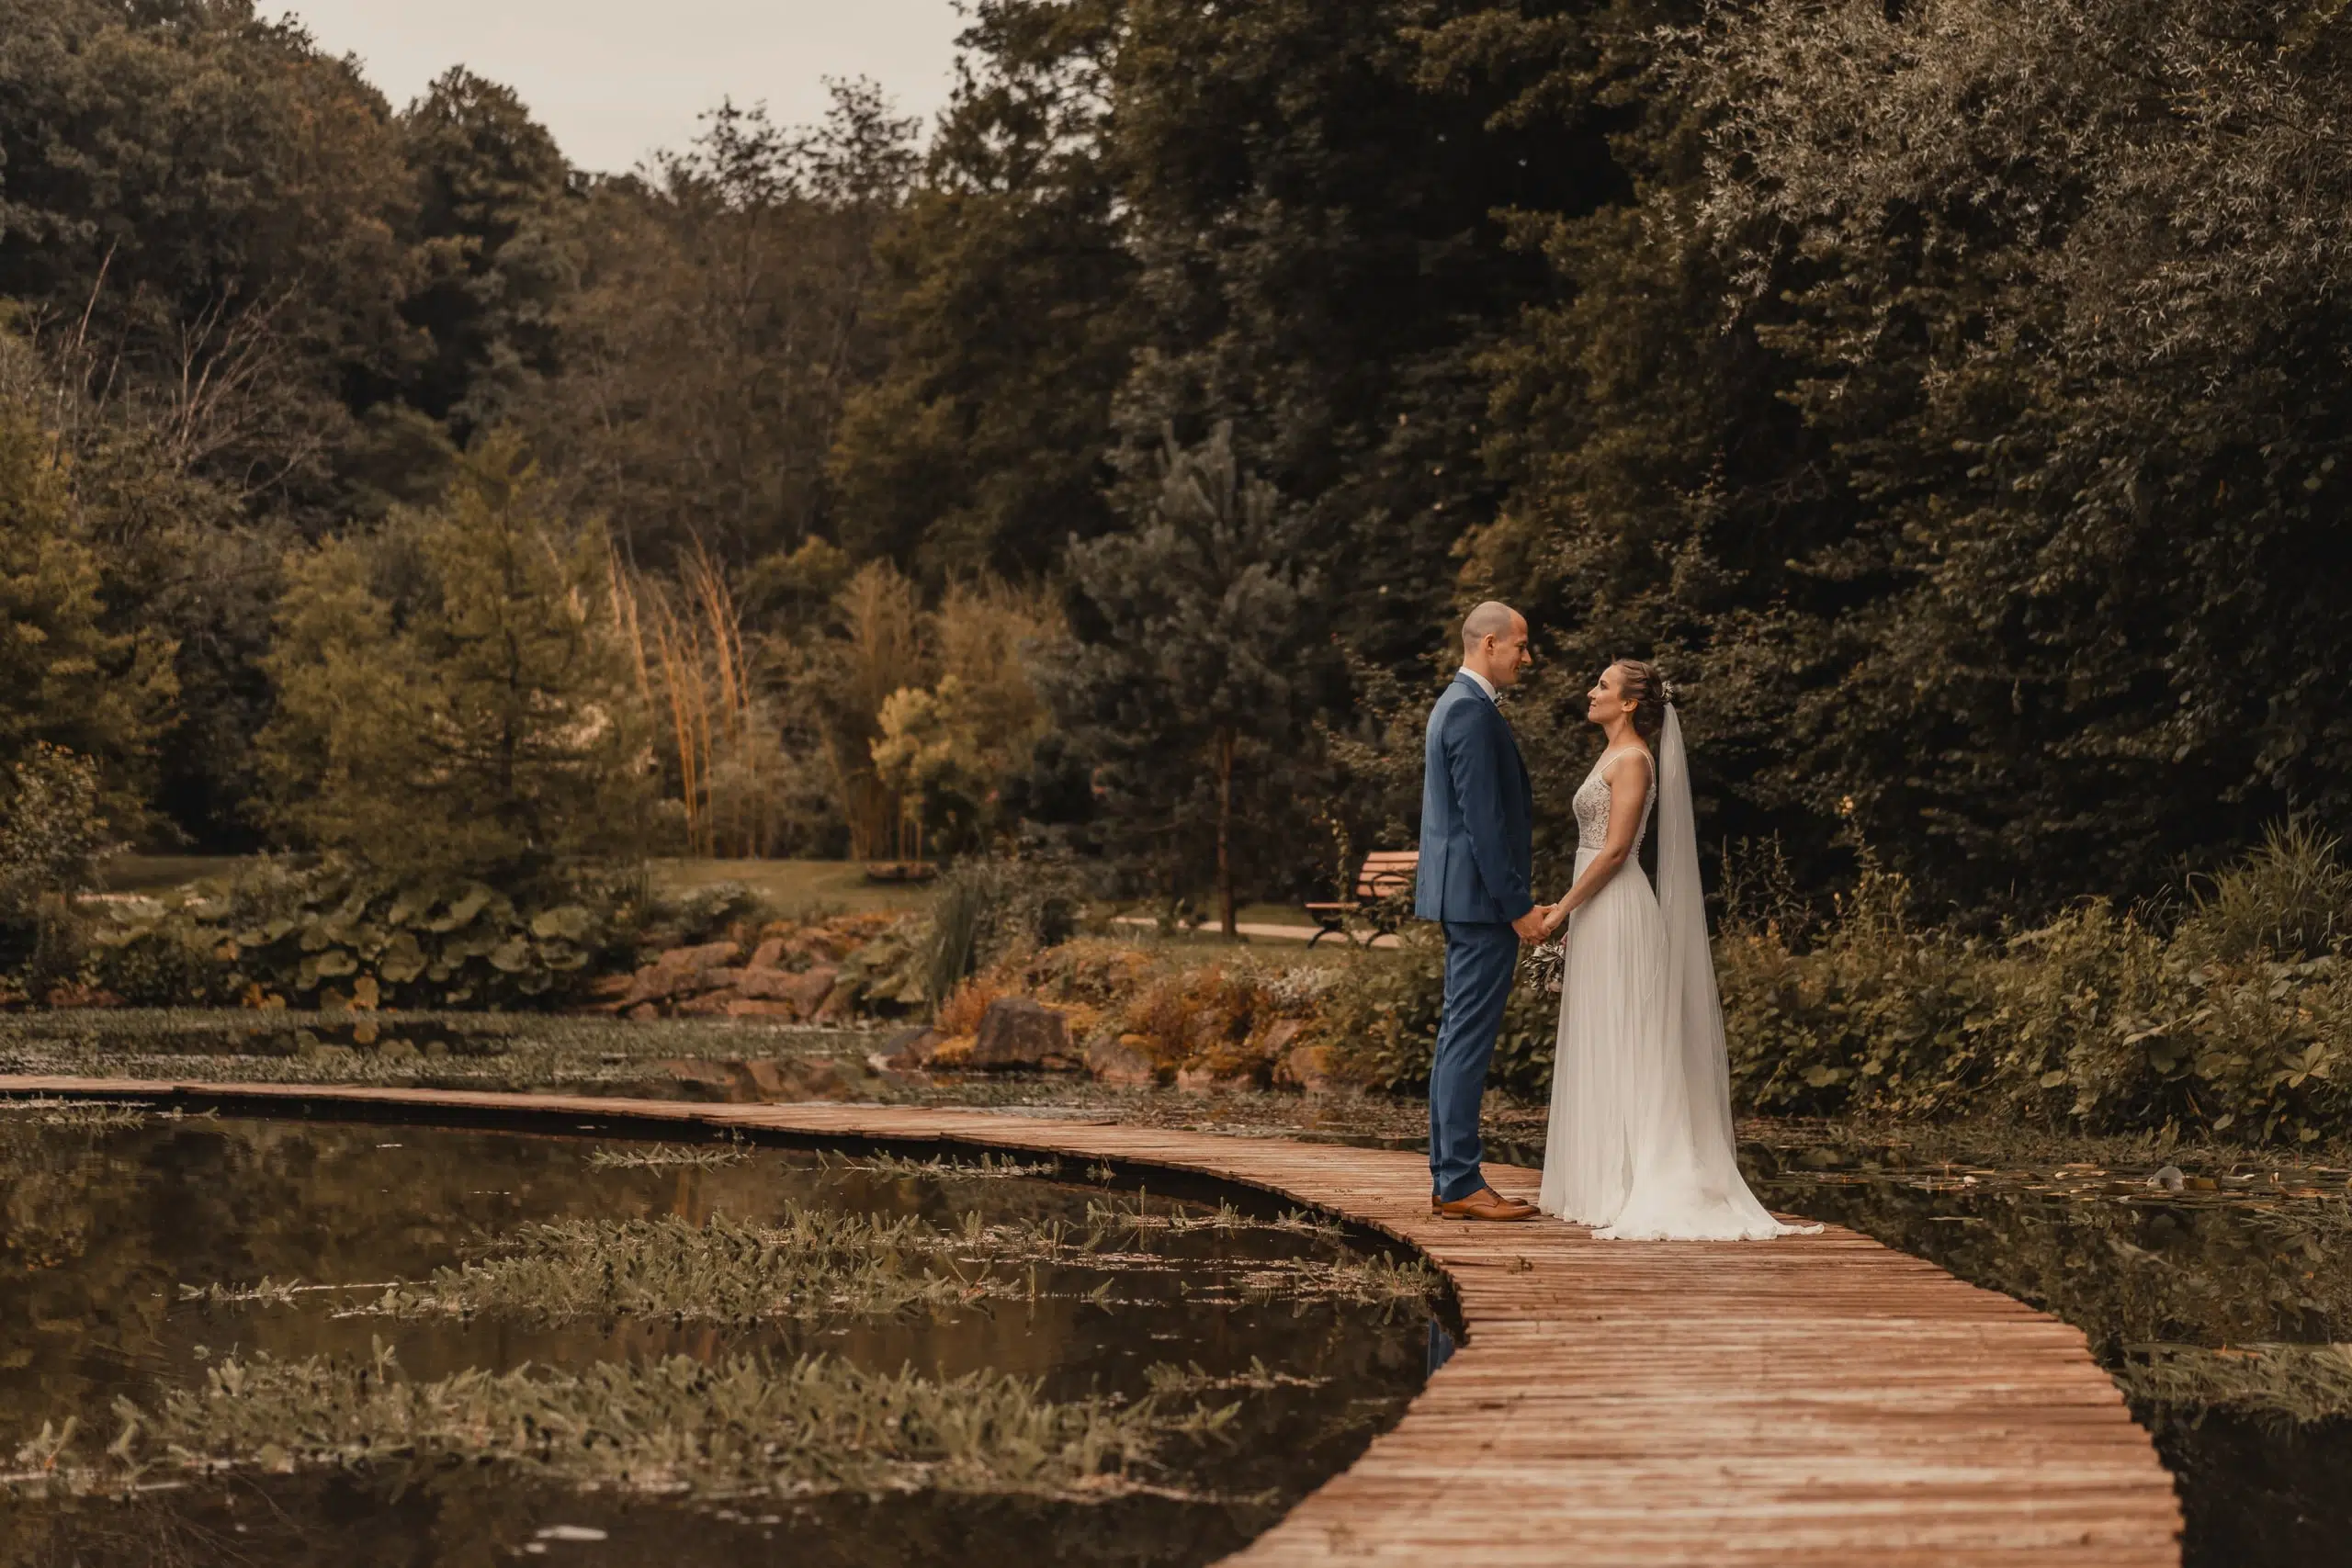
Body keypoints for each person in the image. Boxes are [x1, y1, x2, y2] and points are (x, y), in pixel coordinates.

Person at [1532, 660, 1819, 1240]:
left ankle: (1634, 1180)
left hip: (1618, 908)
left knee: (1628, 1038)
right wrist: (1572, 918)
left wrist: (1561, 908)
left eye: (1603, 687)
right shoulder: (1611, 755)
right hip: (1595, 911)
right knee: (1599, 1033)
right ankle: (1598, 1181)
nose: (1591, 692)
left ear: (1631, 703)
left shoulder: (1634, 760)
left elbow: (1615, 853)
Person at [1414, 603, 1547, 1222]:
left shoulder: (1455, 703)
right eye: (1520, 645)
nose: (1527, 656)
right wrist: (1516, 904)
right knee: (1466, 1039)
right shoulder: (1469, 710)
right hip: (1481, 901)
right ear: (1489, 643)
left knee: (1455, 1036)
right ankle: (1461, 1179)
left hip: (1464, 897)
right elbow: (1484, 823)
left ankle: (1450, 1177)